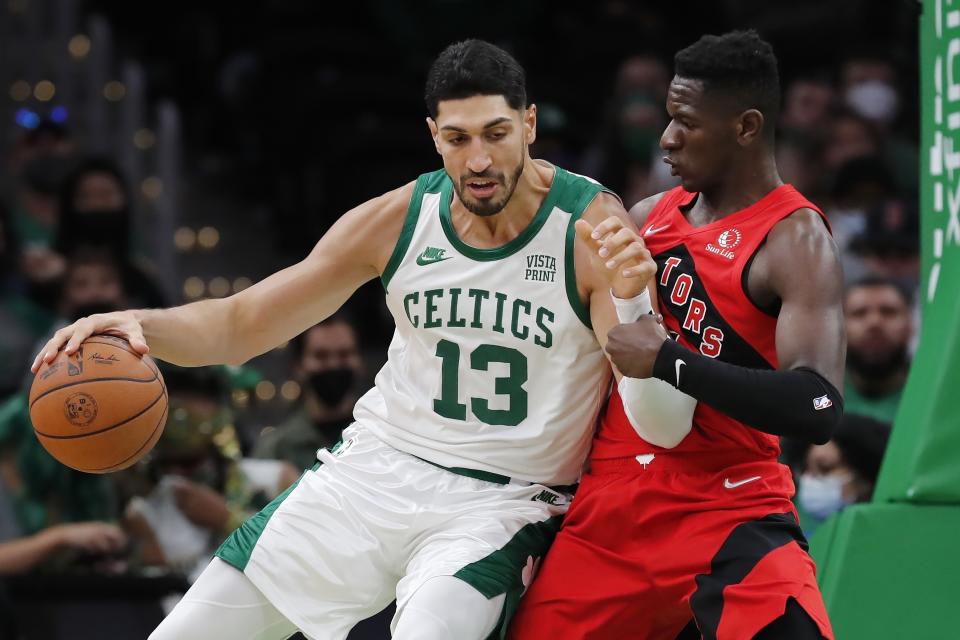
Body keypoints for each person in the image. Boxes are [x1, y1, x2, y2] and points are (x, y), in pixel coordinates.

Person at [31, 39, 690, 640]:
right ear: (434, 136)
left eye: (497, 134)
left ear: (531, 126)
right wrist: (136, 325)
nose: (480, 159)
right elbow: (240, 326)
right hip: (371, 473)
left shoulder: (588, 228)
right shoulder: (398, 218)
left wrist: (636, 300)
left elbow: (661, 428)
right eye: (458, 139)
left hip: (500, 502)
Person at [511, 30, 844, 640]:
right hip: (615, 501)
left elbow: (818, 405)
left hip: (730, 498)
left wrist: (670, 361)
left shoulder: (795, 239)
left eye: (685, 122)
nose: (666, 138)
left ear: (746, 127)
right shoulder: (645, 217)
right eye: (668, 118)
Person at [252, 314, 365, 471]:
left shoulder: (380, 437)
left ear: (359, 360)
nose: (334, 365)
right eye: (321, 356)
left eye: (344, 354)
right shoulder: (276, 449)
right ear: (298, 365)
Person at [794, 414, 891, 537]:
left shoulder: (886, 538)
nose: (809, 480)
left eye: (825, 468)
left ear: (865, 478)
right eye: (805, 469)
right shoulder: (796, 541)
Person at [841, 276, 913, 423]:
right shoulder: (819, 394)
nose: (875, 322)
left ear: (910, 326)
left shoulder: (934, 393)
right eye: (859, 313)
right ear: (840, 328)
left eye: (888, 312)